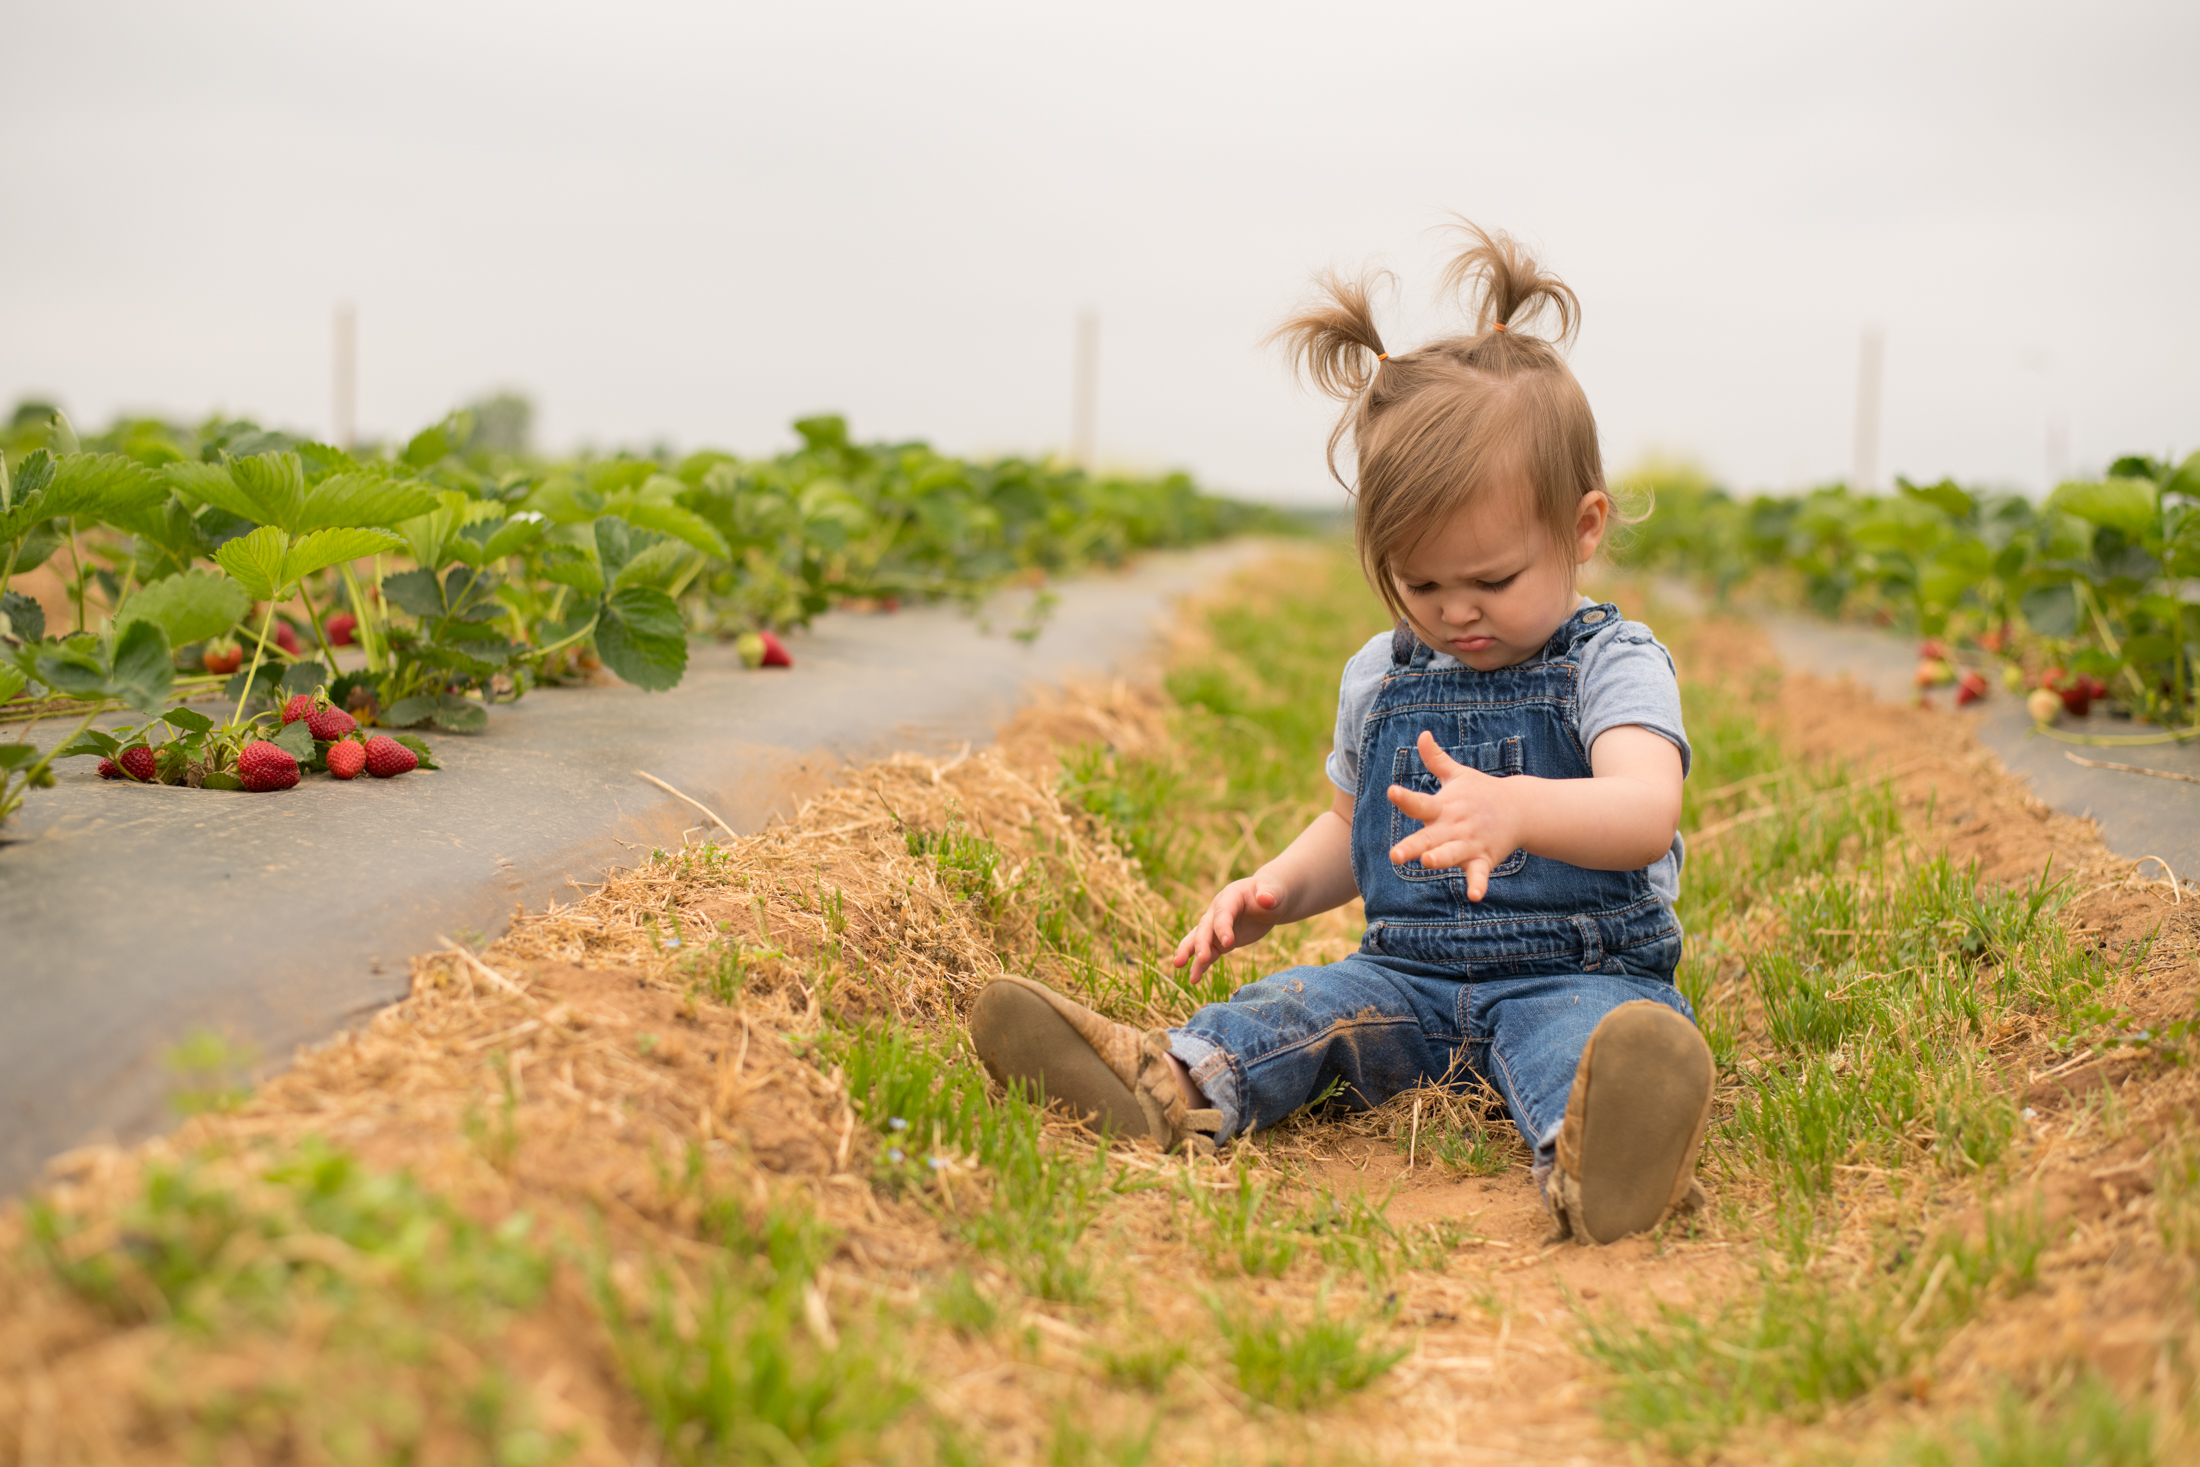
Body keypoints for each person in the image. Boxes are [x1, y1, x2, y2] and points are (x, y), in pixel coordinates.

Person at [969, 221, 1713, 1246]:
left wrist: (1518, 809)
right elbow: (1349, 830)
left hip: (1576, 968)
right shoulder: (1382, 675)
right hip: (1404, 973)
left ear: (1582, 530)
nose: (1457, 613)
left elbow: (1642, 812)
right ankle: (1169, 1081)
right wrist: (1276, 889)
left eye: (1492, 581)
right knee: (1301, 1006)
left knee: (1585, 1045)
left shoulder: (1608, 663)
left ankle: (1603, 1156)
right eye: (1420, 584)